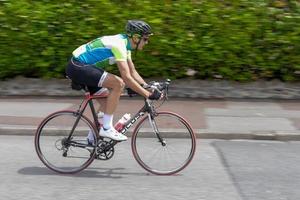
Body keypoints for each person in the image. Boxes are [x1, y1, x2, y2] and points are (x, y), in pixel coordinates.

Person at [66, 20, 162, 142]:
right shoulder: (119, 45)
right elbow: (126, 77)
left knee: (107, 102)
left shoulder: (126, 46)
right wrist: (148, 94)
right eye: (146, 39)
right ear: (136, 38)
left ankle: (92, 139)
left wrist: (147, 86)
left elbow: (132, 72)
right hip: (77, 66)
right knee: (118, 83)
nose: (147, 42)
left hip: (83, 68)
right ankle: (107, 128)